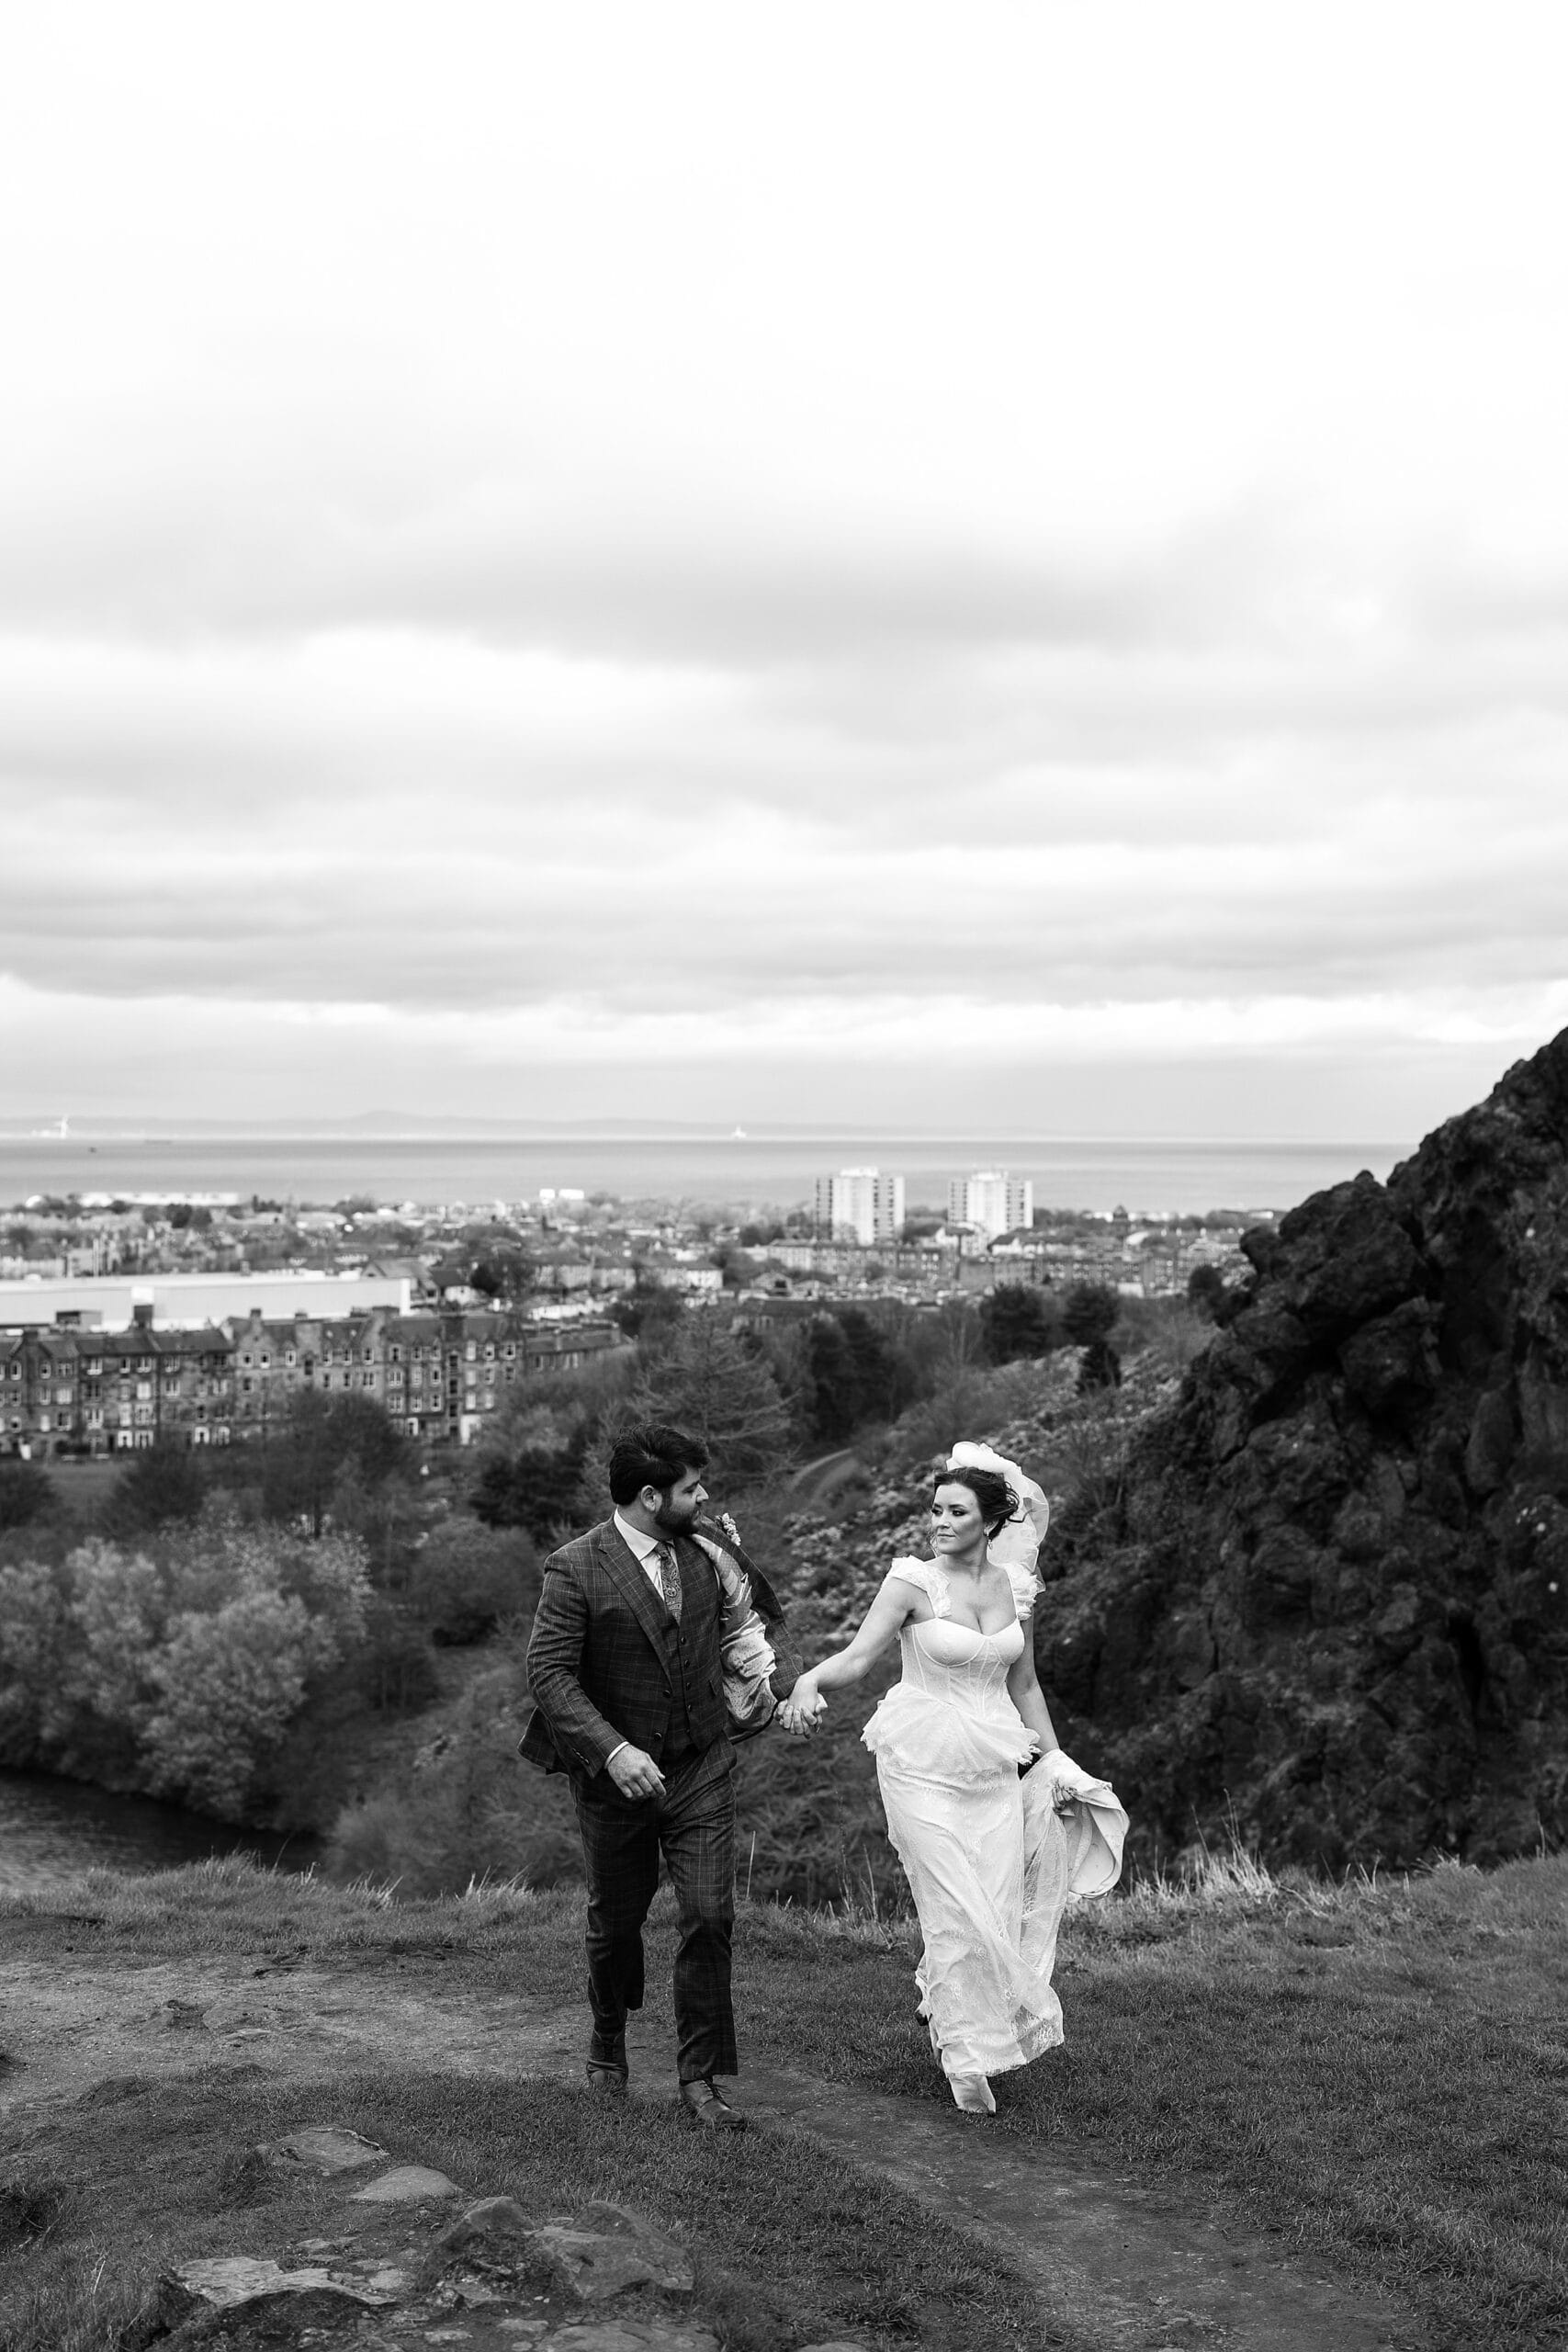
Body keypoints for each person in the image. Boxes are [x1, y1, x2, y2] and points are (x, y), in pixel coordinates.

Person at [780, 1441, 1126, 2115]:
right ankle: (966, 2061)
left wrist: (1052, 1761)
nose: (938, 1522)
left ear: (992, 1521)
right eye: (934, 1509)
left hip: (992, 1765)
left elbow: (1024, 1684)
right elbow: (857, 1656)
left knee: (992, 1904)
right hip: (921, 1762)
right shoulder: (912, 1580)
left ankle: (941, 1998)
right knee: (952, 1905)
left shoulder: (1015, 1587)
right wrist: (808, 1680)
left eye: (955, 1511)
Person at [520, 1422, 801, 2131]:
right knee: (616, 1922)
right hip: (615, 1776)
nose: (702, 1497)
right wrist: (613, 1751)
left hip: (702, 1761)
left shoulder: (707, 1551)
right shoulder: (574, 1567)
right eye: (690, 1488)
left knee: (709, 1915)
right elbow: (547, 1674)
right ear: (650, 1497)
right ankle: (607, 2043)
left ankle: (699, 2078)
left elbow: (738, 1633)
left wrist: (772, 1690)